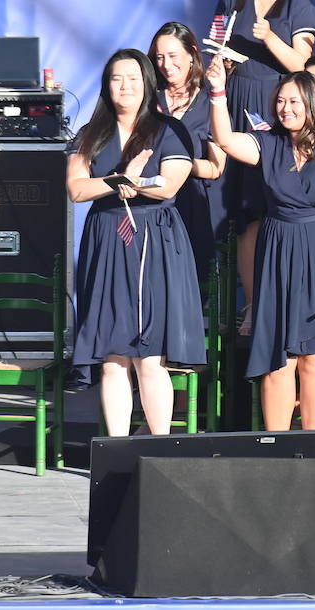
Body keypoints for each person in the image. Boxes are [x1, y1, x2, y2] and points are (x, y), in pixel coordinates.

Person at [205, 61, 315, 431]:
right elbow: (225, 141)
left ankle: (312, 445)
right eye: (281, 101)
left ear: (313, 102)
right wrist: (218, 92)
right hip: (279, 254)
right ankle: (277, 447)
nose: (286, 109)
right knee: (277, 356)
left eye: (295, 102)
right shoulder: (269, 145)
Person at [67, 49, 204, 436]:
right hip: (108, 240)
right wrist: (121, 180)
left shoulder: (169, 130)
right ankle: (118, 449)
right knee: (113, 359)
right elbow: (77, 189)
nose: (124, 86)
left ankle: (158, 446)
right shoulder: (91, 133)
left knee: (149, 356)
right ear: (106, 86)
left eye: (132, 78)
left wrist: (131, 182)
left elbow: (170, 185)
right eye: (116, 78)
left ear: (146, 82)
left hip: (154, 241)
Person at [208, 0, 315, 325]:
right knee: (234, 209)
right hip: (233, 105)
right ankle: (244, 304)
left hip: (276, 111)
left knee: (266, 206)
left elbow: (301, 66)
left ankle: (277, 303)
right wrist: (221, 64)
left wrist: (270, 37)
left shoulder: (298, 7)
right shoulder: (231, 2)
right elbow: (215, 52)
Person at [148, 22, 227, 282]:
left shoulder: (208, 103)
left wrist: (179, 164)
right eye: (159, 57)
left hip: (193, 207)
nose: (165, 64)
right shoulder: (148, 100)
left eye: (173, 56)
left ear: (192, 55)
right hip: (151, 205)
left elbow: (216, 167)